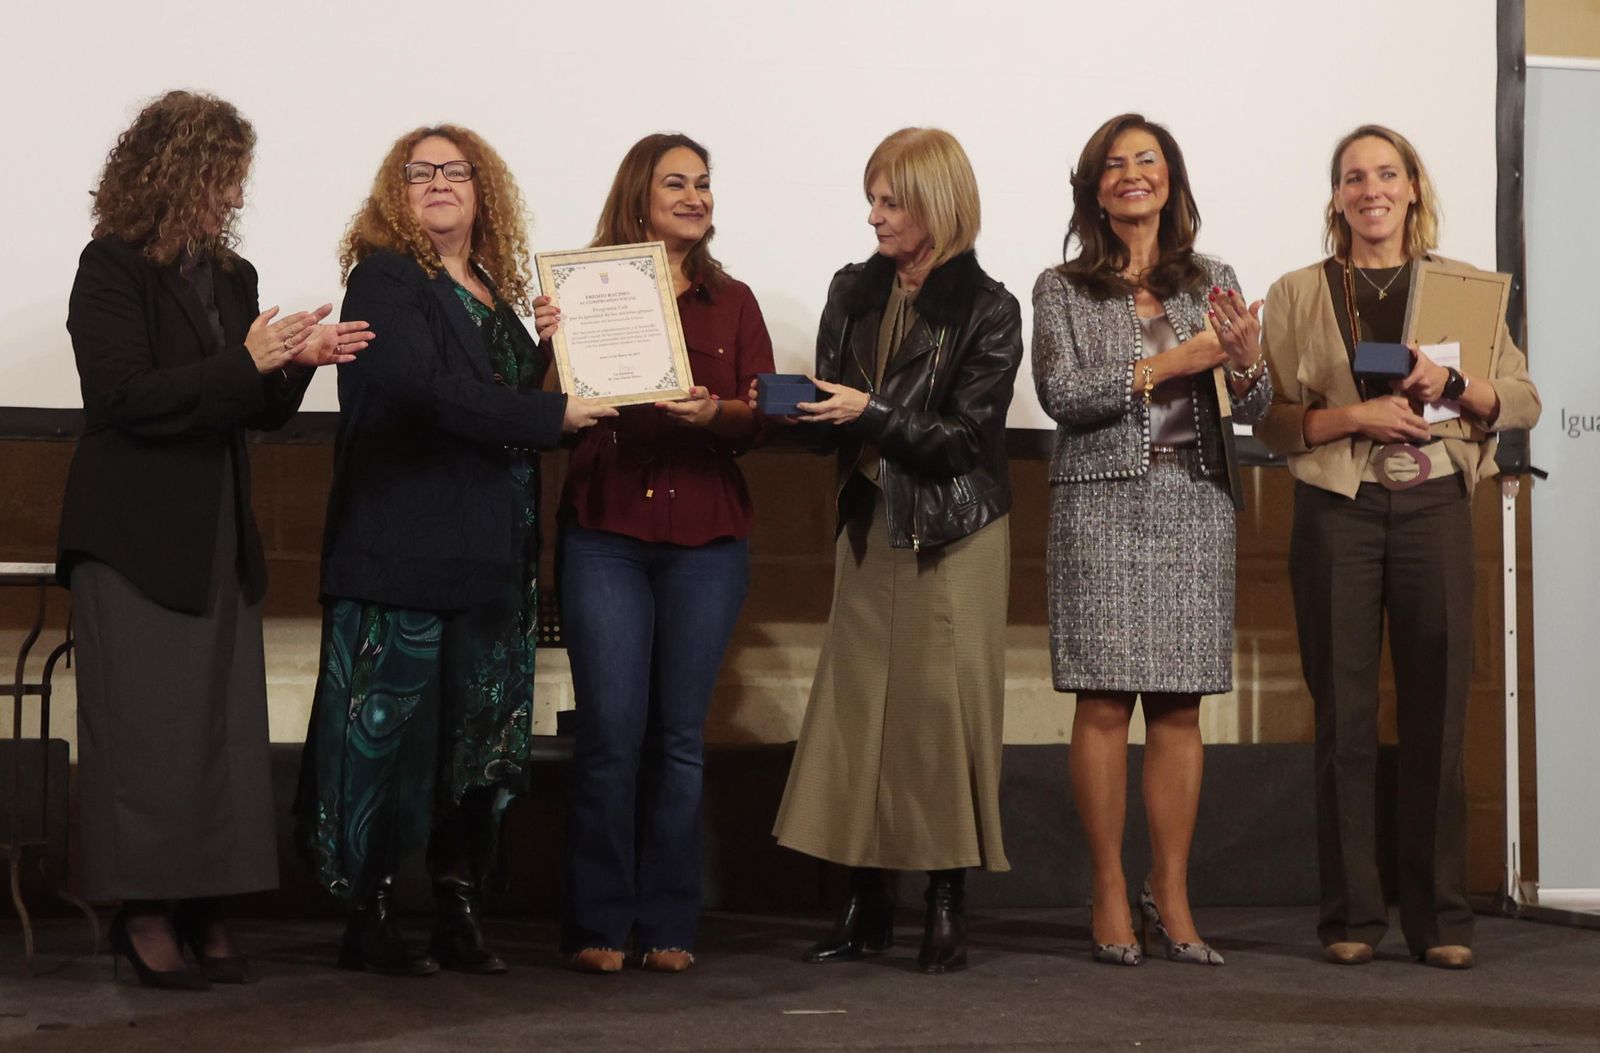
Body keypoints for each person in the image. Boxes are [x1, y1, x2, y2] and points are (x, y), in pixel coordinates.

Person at [60, 90, 369, 990]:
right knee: (144, 733)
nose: (235, 195)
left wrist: (293, 369)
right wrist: (246, 364)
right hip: (133, 534)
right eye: (223, 176)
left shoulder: (233, 277)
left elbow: (251, 408)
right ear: (174, 171)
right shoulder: (110, 266)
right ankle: (143, 911)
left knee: (217, 733)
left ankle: (204, 903)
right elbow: (122, 397)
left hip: (216, 532)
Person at [294, 124, 615, 976]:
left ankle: (456, 907)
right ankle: (369, 910)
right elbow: (425, 393)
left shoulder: (490, 291)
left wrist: (555, 348)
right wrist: (551, 417)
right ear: (394, 194)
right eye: (419, 172)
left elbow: (499, 400)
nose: (438, 181)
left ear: (484, 191)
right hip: (402, 554)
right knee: (387, 746)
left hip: (489, 564)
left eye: (456, 171)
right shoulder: (386, 278)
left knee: (474, 745)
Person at [1256, 124, 1540, 970]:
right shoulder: (1300, 291)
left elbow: (1520, 397)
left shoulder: (1469, 289)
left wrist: (1452, 384)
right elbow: (1271, 419)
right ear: (1336, 195)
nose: (1370, 189)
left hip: (1435, 506)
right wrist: (1355, 416)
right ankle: (1352, 914)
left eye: (1387, 173)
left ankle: (1441, 915)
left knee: (1438, 713)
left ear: (1413, 187)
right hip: (1338, 507)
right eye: (1353, 177)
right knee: (1342, 717)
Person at [767, 127, 1022, 975]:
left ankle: (946, 899)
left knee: (940, 715)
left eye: (891, 201)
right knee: (858, 712)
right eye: (871, 199)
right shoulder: (854, 289)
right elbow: (838, 410)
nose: (874, 216)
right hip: (870, 522)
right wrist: (781, 413)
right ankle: (866, 902)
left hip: (955, 531)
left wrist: (866, 414)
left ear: (938, 205)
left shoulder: (990, 307)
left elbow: (963, 439)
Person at [1032, 114, 1271, 968]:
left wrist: (1240, 359)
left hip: (1195, 500)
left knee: (1179, 706)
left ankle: (1168, 891)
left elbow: (1257, 402)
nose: (1134, 174)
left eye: (1150, 161)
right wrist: (1174, 362)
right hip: (1099, 504)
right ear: (1094, 188)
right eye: (1116, 165)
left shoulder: (1215, 279)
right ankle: (1106, 887)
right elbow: (1063, 393)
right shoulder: (1062, 287)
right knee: (1101, 700)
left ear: (1171, 180)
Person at [560, 133, 775, 975]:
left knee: (680, 738)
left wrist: (712, 414)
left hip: (708, 539)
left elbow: (760, 416)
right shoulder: (585, 289)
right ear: (638, 199)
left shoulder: (736, 300)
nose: (696, 196)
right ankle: (598, 921)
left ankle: (670, 921)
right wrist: (554, 343)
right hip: (607, 528)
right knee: (611, 733)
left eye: (705, 184)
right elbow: (546, 405)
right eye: (676, 183)